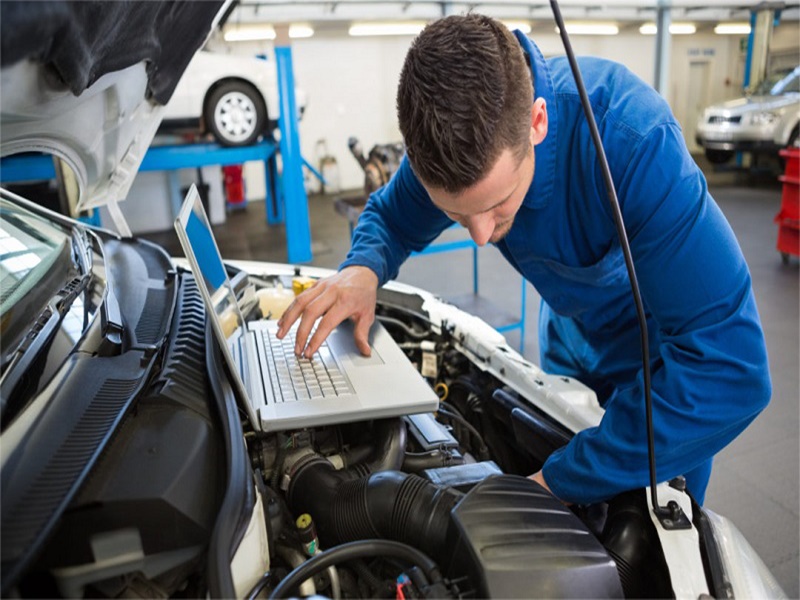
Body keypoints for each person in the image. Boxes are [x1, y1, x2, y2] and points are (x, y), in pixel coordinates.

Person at [277, 13, 771, 505]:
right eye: (455, 213)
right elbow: (391, 217)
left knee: (647, 529)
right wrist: (362, 269)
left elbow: (729, 369)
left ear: (537, 122)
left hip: (663, 372)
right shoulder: (451, 140)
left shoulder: (633, 141)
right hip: (567, 341)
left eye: (497, 204)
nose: (480, 235)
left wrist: (553, 484)